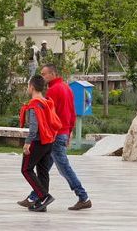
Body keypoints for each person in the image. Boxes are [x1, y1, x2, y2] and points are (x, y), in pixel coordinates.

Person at [20, 63, 92, 211]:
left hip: (55, 135)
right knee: (44, 168)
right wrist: (69, 131)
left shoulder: (52, 91)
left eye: (44, 74)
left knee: (63, 168)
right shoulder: (67, 87)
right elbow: (72, 112)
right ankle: (36, 196)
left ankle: (83, 197)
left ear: (52, 74)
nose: (42, 76)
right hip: (63, 132)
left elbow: (49, 117)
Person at [18, 74, 61, 213]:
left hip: (37, 141)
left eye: (28, 86)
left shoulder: (34, 105)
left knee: (26, 169)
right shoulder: (46, 102)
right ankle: (42, 205)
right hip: (48, 142)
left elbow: (34, 127)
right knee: (42, 172)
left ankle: (43, 197)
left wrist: (27, 143)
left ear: (31, 87)